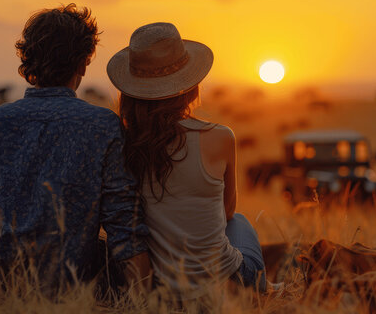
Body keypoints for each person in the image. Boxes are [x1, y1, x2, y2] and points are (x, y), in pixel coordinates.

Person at [0, 4, 150, 293]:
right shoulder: (103, 125)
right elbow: (124, 227)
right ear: (84, 62)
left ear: (28, 59)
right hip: (68, 285)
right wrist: (147, 301)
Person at [106, 22, 266, 299]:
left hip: (163, 290)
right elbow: (226, 213)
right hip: (227, 284)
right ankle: (266, 290)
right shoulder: (220, 136)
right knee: (239, 222)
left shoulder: (125, 143)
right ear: (190, 85)